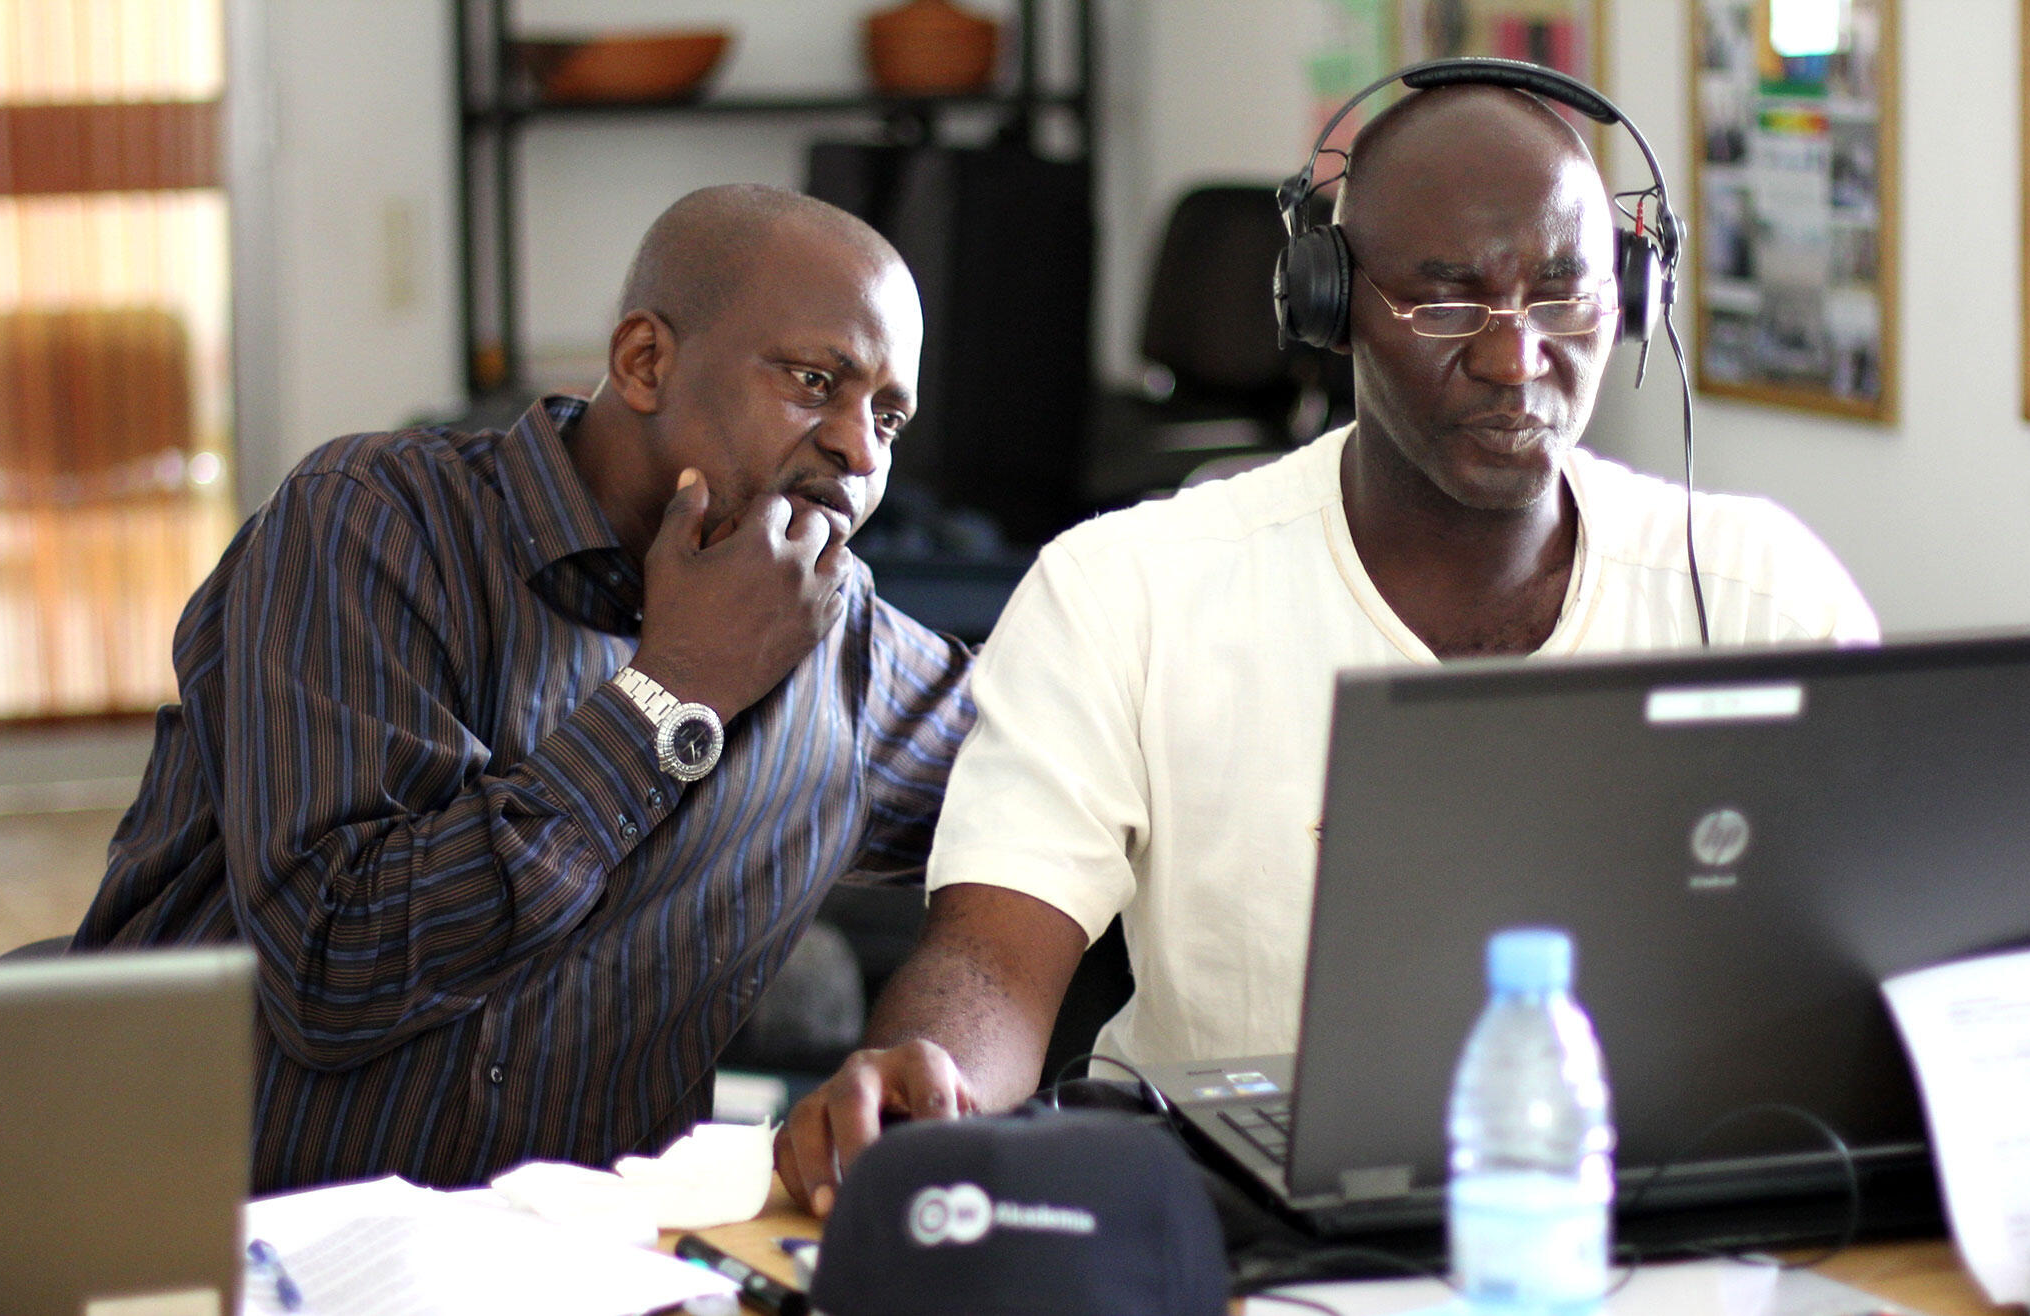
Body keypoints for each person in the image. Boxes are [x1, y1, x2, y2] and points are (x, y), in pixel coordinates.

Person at [775, 84, 1878, 1214]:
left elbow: (1895, 956)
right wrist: (925, 1085)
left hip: (1668, 1216)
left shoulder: (1759, 593)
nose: (1515, 358)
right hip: (1225, 1226)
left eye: (1563, 294)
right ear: (1329, 301)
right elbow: (995, 956)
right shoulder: (1126, 588)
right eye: (1447, 303)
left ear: (1635, 293)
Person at [73, 184, 976, 1193]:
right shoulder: (369, 523)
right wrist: (676, 693)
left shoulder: (848, 654)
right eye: (816, 380)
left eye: (889, 417)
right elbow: (335, 971)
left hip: (573, 1269)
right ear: (645, 361)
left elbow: (1077, 797)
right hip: (210, 1231)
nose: (860, 448)